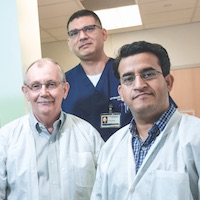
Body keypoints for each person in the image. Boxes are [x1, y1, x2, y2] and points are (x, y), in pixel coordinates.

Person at [91, 41, 200, 200]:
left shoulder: (195, 136)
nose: (139, 85)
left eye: (148, 74)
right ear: (121, 93)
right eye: (128, 78)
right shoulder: (110, 147)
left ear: (168, 82)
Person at [0, 58, 104, 200]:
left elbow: (106, 189)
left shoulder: (89, 135)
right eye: (35, 86)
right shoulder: (5, 139)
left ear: (65, 90)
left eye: (51, 84)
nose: (44, 93)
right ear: (26, 93)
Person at [61, 9, 132, 141]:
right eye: (74, 33)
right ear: (69, 43)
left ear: (104, 34)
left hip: (127, 156)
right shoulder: (62, 84)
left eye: (89, 29)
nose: (82, 37)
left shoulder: (128, 73)